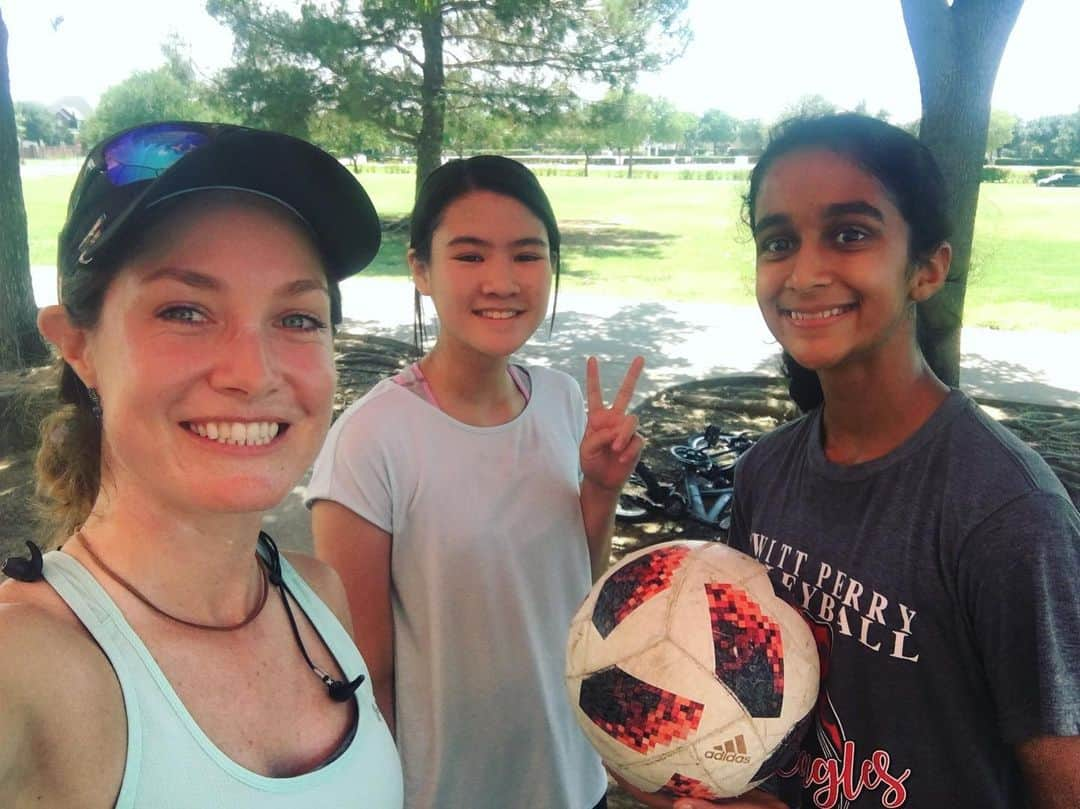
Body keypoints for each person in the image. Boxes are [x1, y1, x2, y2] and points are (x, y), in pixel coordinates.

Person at [663, 113, 1080, 809]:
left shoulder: (1008, 518)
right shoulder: (765, 471)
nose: (804, 270)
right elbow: (742, 685)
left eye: (850, 233)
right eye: (778, 241)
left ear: (928, 267)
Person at [0, 121, 404, 808]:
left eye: (298, 318)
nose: (254, 372)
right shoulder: (26, 665)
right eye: (185, 310)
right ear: (77, 345)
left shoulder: (319, 598)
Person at [306, 155, 645, 809]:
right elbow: (365, 674)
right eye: (469, 255)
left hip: (572, 775)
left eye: (527, 254)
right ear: (421, 269)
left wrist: (600, 490)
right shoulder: (372, 438)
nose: (502, 280)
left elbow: (577, 592)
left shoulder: (561, 399)